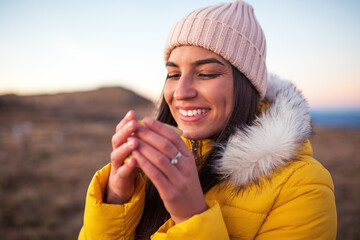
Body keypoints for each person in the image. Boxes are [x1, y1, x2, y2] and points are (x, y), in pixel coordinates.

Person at [78, 0, 337, 239]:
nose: (181, 92)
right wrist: (116, 197)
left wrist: (191, 216)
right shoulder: (151, 162)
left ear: (247, 85)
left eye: (206, 74)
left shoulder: (305, 187)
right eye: (174, 74)